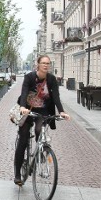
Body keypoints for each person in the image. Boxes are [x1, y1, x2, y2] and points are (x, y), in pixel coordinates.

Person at [14, 55, 70, 185]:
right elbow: (24, 92)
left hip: (43, 111)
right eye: (43, 63)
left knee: (40, 131)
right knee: (23, 139)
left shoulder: (51, 79)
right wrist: (22, 106)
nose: (46, 65)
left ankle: (40, 153)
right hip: (28, 110)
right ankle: (17, 173)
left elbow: (56, 96)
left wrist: (61, 111)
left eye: (48, 63)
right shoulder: (29, 77)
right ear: (38, 64)